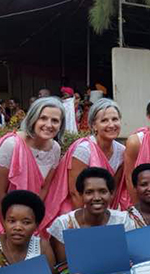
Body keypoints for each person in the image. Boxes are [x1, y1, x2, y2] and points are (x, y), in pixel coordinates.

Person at [0, 97, 65, 239]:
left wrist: (32, 220)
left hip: (29, 218)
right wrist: (10, 226)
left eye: (55, 121)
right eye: (43, 118)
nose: (48, 125)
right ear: (33, 119)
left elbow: (43, 188)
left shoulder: (55, 149)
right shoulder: (12, 144)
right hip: (0, 215)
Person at [40, 98, 125, 234]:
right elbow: (75, 192)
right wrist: (84, 224)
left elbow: (112, 190)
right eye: (104, 121)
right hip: (74, 211)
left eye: (115, 119)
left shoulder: (122, 151)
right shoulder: (84, 150)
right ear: (94, 126)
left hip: (100, 209)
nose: (111, 124)